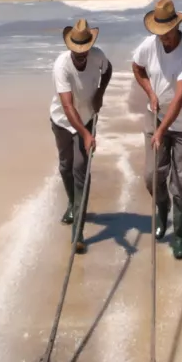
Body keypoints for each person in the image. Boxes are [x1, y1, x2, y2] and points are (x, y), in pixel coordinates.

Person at [131, 0, 182, 260]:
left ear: (176, 27)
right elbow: (137, 67)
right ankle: (163, 213)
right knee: (152, 177)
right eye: (160, 34)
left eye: (168, 33)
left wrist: (162, 130)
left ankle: (180, 236)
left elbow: (181, 96)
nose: (165, 38)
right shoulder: (149, 45)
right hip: (155, 118)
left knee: (181, 182)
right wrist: (149, 91)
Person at [49, 18, 112, 254]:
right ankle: (72, 205)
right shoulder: (61, 66)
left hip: (87, 118)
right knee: (65, 166)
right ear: (70, 48)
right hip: (63, 122)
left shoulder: (98, 55)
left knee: (81, 170)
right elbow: (67, 107)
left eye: (85, 50)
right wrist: (85, 134)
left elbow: (108, 70)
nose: (81, 55)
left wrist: (100, 94)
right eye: (77, 51)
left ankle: (78, 231)